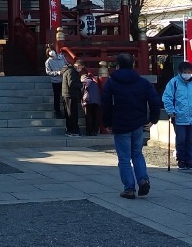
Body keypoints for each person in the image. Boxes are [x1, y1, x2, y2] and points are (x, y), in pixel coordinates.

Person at [101, 52, 161, 199]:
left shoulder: (111, 82)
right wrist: (153, 119)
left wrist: (107, 123)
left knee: (124, 158)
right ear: (133, 65)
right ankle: (143, 179)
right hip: (138, 123)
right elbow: (154, 101)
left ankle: (129, 188)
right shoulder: (142, 82)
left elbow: (106, 105)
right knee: (137, 153)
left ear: (117, 66)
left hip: (120, 123)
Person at [162, 61, 192, 169]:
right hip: (179, 116)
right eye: (185, 72)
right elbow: (167, 97)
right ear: (180, 72)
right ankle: (181, 159)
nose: (187, 74)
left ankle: (190, 159)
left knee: (190, 139)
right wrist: (171, 111)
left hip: (191, 117)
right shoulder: (174, 83)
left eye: (189, 72)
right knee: (181, 139)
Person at [44, 47, 67, 118]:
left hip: (64, 80)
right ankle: (57, 111)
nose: (51, 52)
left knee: (65, 96)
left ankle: (67, 111)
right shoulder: (48, 61)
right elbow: (48, 72)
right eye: (49, 51)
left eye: (52, 50)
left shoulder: (62, 57)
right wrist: (57, 73)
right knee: (57, 96)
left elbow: (67, 64)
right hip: (56, 81)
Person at [61, 59, 82, 136]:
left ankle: (70, 129)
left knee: (69, 113)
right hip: (70, 95)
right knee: (72, 113)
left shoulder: (68, 70)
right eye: (81, 67)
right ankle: (72, 130)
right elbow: (71, 83)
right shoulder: (72, 71)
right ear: (78, 65)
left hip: (67, 94)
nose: (81, 69)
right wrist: (81, 84)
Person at [80, 68, 101, 135]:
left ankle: (89, 131)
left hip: (88, 101)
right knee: (95, 116)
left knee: (89, 117)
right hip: (97, 101)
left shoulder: (84, 83)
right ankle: (95, 131)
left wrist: (82, 102)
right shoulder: (94, 83)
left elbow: (82, 92)